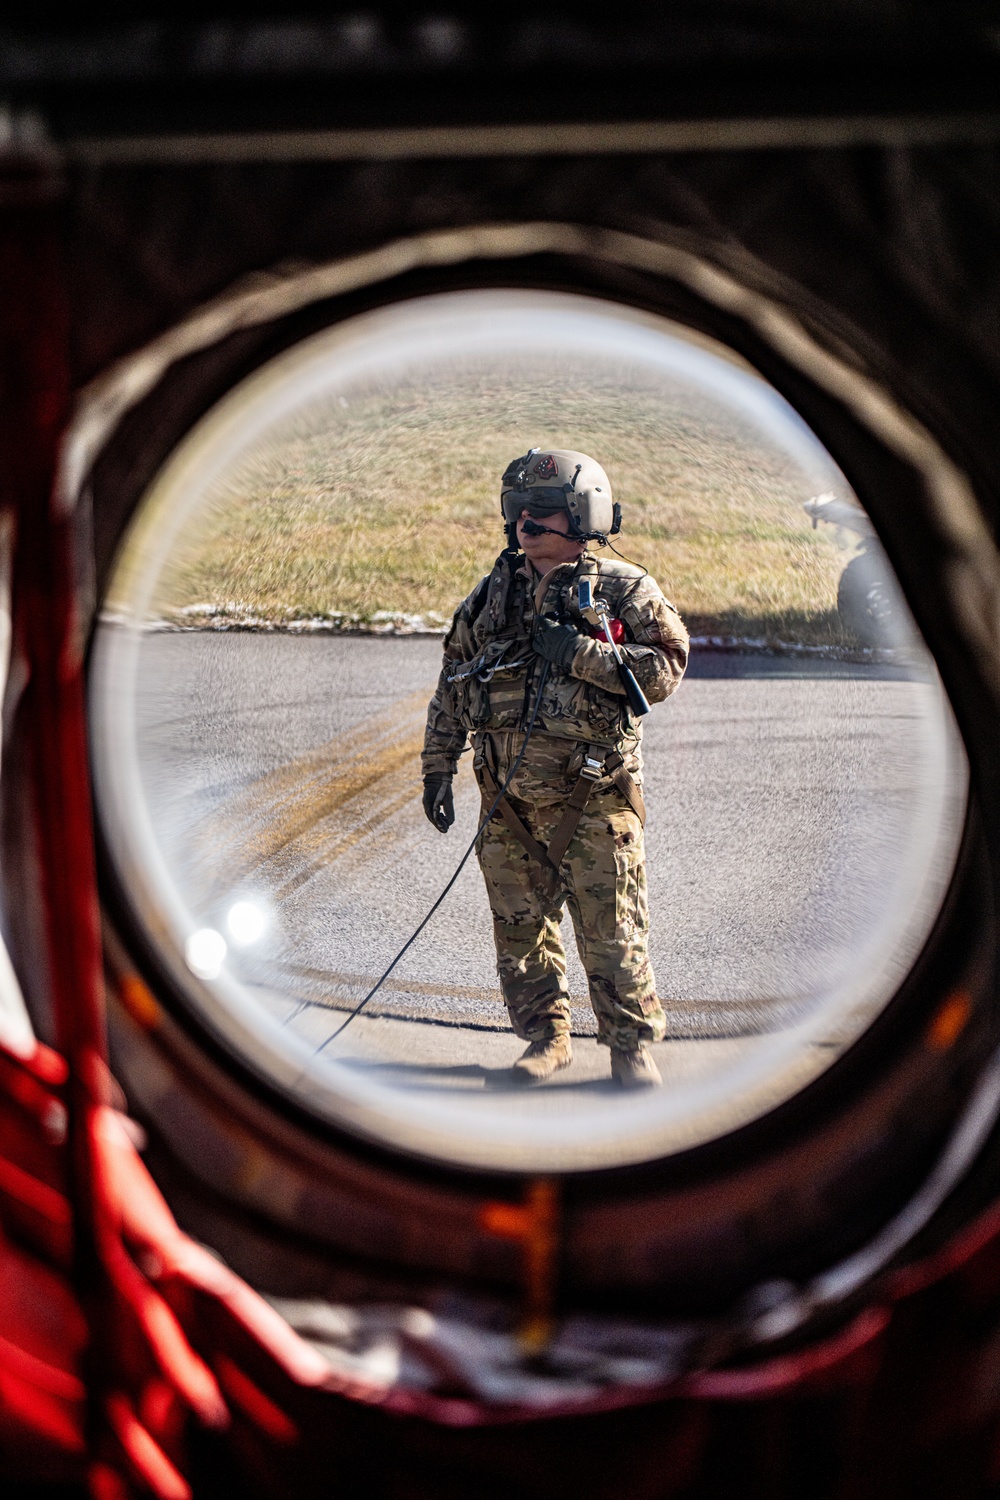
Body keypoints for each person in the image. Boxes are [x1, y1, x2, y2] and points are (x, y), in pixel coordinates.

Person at [421, 449, 689, 1088]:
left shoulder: (624, 590)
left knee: (613, 929)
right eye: (519, 515)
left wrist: (581, 654)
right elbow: (453, 681)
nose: (528, 528)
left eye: (545, 515)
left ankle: (630, 1049)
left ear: (583, 517)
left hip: (593, 797)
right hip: (506, 805)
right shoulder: (491, 598)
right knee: (520, 931)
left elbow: (666, 668)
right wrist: (437, 767)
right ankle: (547, 1038)